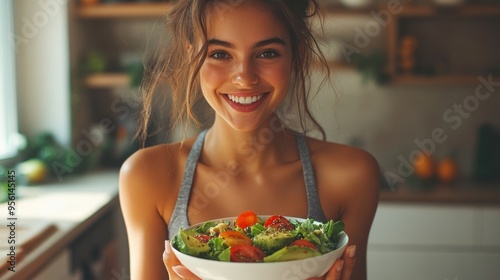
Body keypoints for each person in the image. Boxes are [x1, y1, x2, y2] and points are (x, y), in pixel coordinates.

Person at [119, 0, 380, 279]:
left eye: (267, 53)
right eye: (220, 54)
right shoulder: (147, 176)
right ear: (192, 55)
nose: (244, 77)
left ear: (297, 55)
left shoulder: (352, 176)